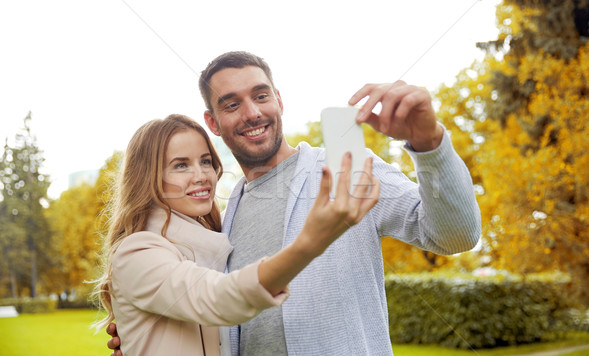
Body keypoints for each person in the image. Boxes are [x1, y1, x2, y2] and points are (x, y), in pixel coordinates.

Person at [108, 51, 481, 355]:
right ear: (214, 122)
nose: (252, 112)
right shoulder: (225, 212)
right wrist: (147, 334)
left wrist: (430, 144)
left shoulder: (343, 169)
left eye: (260, 95)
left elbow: (455, 236)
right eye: (231, 104)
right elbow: (212, 300)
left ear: (279, 100)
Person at [95, 113, 379, 356]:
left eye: (205, 161)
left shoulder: (213, 242)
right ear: (148, 177)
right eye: (181, 165)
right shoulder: (138, 252)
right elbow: (218, 298)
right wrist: (309, 244)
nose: (201, 176)